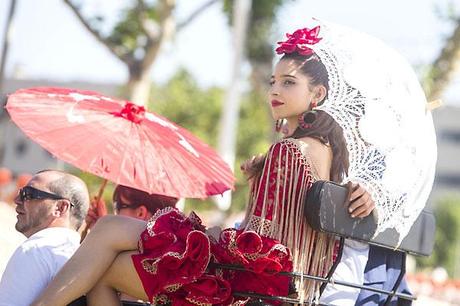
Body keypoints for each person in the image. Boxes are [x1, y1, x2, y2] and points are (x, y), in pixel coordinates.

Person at [32, 26, 375, 306]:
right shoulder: (328, 153)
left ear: (317, 94)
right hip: (276, 288)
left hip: (242, 286)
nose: (275, 90)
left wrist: (214, 233)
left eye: (289, 82)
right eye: (273, 81)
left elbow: (260, 243)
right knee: (109, 232)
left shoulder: (290, 150)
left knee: (106, 253)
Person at [0, 170, 89, 306]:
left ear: (60, 207)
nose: (17, 200)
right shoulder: (86, 258)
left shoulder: (36, 251)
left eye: (28, 194)